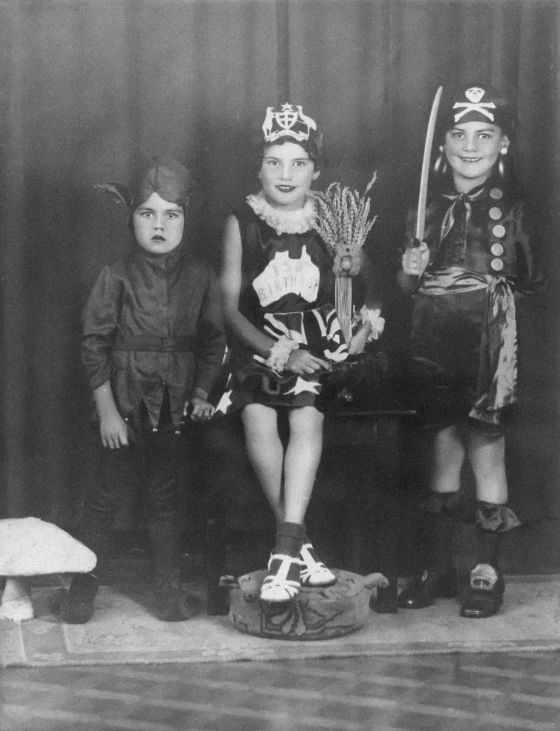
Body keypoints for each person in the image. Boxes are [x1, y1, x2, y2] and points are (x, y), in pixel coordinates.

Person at [218, 103, 378, 603]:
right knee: (259, 416)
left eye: (298, 163)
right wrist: (276, 352)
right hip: (260, 345)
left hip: (318, 345)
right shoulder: (242, 219)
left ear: (316, 170)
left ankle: (284, 553)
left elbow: (366, 295)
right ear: (258, 166)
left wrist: (361, 328)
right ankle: (299, 550)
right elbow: (228, 309)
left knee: (307, 418)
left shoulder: (333, 218)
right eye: (273, 162)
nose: (286, 175)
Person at [397, 84, 545, 618]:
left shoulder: (515, 209)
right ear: (443, 146)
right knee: (443, 449)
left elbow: (529, 279)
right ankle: (439, 568)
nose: (471, 146)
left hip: (487, 337)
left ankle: (487, 570)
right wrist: (410, 273)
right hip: (433, 336)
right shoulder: (426, 209)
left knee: (485, 446)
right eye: (459, 135)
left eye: (485, 135)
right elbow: (407, 287)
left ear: (503, 144)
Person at [61, 157, 226, 624]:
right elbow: (93, 344)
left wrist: (200, 393)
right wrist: (108, 411)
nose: (159, 225)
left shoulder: (201, 276)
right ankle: (83, 584)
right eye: (147, 214)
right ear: (131, 216)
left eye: (171, 214)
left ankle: (167, 585)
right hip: (123, 403)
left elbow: (213, 342)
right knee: (103, 494)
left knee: (165, 495)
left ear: (186, 220)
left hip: (172, 408)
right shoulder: (115, 274)